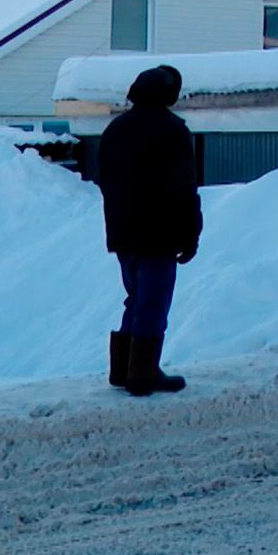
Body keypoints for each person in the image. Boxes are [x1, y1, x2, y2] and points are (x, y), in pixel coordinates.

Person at [97, 65, 200, 397]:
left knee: (136, 299)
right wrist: (191, 234)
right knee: (153, 303)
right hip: (159, 233)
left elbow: (105, 182)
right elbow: (184, 190)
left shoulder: (114, 130)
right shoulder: (173, 131)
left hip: (123, 233)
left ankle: (122, 370)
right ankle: (142, 374)